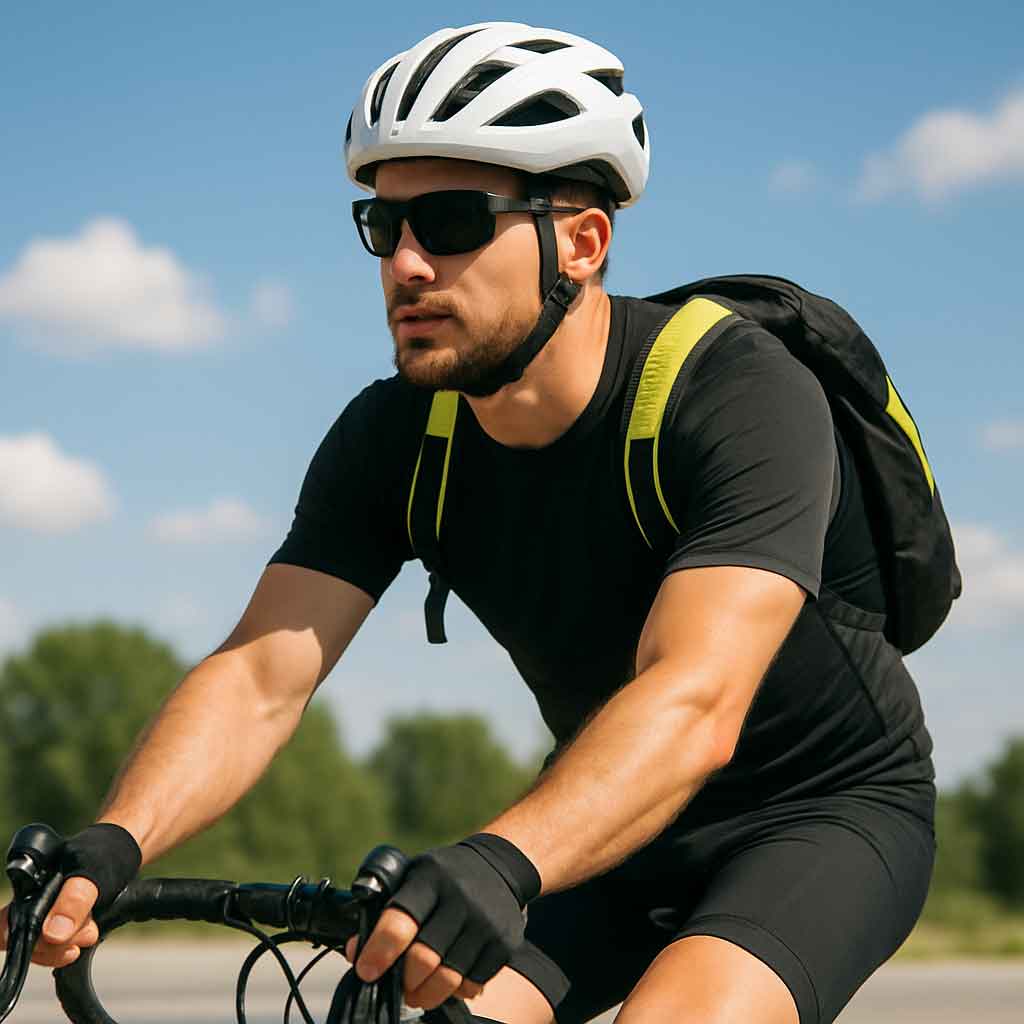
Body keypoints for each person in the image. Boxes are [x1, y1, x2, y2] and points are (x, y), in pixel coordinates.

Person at [1, 22, 938, 1024]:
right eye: (381, 224)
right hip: (602, 834)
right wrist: (117, 838)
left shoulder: (734, 389)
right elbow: (262, 674)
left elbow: (693, 698)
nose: (404, 263)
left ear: (580, 242)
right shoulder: (399, 436)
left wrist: (498, 857)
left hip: (820, 818)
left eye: (448, 221)